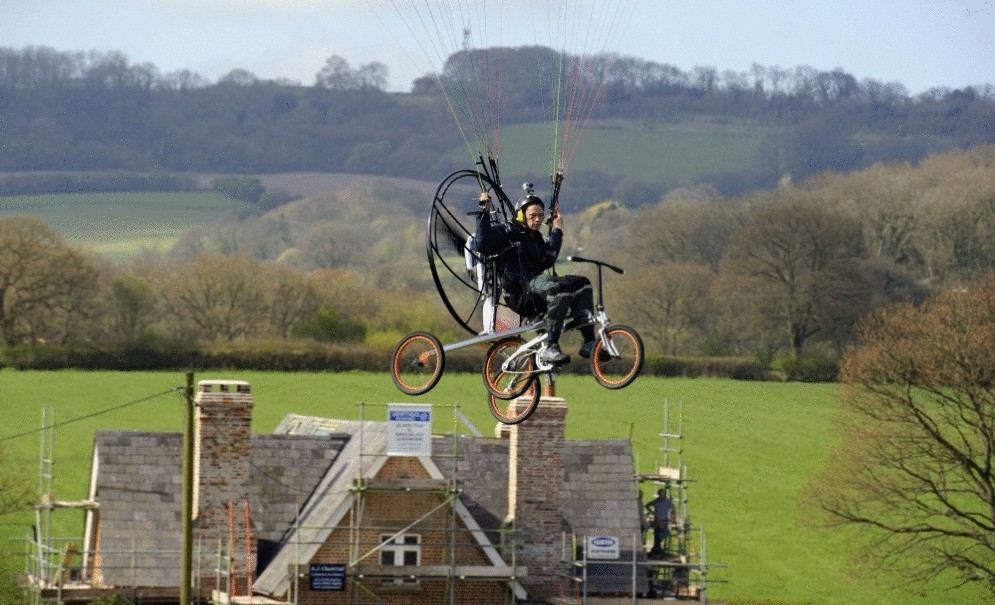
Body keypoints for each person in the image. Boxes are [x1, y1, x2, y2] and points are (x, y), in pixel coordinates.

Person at [474, 189, 598, 365]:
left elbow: (547, 260)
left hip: (537, 288)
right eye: (533, 216)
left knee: (581, 284)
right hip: (519, 293)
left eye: (540, 216)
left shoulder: (535, 237)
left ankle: (589, 342)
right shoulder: (508, 232)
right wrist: (483, 211)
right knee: (557, 287)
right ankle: (550, 346)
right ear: (521, 215)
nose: (538, 220)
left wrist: (556, 230)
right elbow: (482, 243)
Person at [645, 487, 675, 557]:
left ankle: (656, 551)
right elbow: (647, 505)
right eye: (660, 494)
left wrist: (673, 518)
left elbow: (673, 509)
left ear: (664, 494)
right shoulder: (656, 501)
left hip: (664, 522)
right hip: (657, 522)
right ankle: (657, 552)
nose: (661, 496)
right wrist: (652, 512)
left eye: (663, 494)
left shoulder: (668, 502)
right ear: (658, 494)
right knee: (656, 537)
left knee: (660, 536)